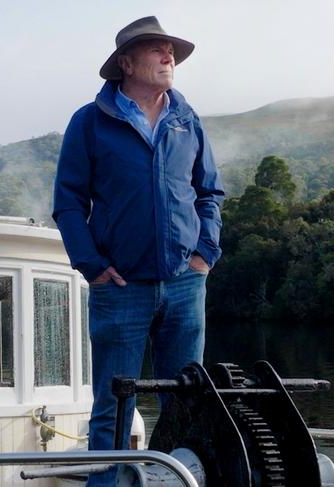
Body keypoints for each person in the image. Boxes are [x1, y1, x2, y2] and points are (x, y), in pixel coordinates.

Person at [52, 16, 224, 486]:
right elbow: (68, 202)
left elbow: (209, 193)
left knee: (187, 401)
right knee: (113, 406)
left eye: (171, 50)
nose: (169, 57)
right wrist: (92, 265)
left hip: (186, 284)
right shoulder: (90, 123)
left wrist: (204, 254)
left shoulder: (187, 121)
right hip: (120, 285)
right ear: (125, 63)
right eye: (156, 49)